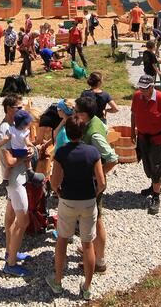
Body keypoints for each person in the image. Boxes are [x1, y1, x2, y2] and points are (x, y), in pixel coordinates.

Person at [47, 114, 105, 299]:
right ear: (83, 131)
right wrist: (94, 194)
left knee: (62, 240)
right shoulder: (93, 152)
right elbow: (102, 182)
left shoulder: (62, 152)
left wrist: (58, 193)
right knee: (87, 245)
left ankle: (57, 282)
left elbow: (54, 181)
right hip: (88, 201)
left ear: (67, 131)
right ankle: (87, 287)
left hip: (68, 200)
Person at [75, 95, 118, 273]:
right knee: (89, 219)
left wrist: (97, 176)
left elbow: (113, 158)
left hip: (93, 183)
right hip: (89, 181)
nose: (74, 114)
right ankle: (91, 249)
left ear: (85, 115)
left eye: (77, 112)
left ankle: (99, 261)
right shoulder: (96, 121)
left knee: (97, 220)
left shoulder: (93, 133)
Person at [130, 75, 161, 215]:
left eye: (144, 88)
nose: (141, 90)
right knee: (147, 166)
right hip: (143, 137)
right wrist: (133, 131)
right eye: (140, 87)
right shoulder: (137, 96)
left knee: (156, 166)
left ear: (152, 86)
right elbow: (133, 114)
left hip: (158, 139)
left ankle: (156, 197)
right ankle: (154, 185)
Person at [0, 95, 32, 277]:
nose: (22, 110)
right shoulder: (5, 130)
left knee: (10, 217)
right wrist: (26, 157)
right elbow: (9, 160)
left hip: (18, 177)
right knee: (23, 221)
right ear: (9, 109)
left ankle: (11, 251)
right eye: (19, 108)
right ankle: (10, 264)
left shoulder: (14, 127)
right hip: (14, 181)